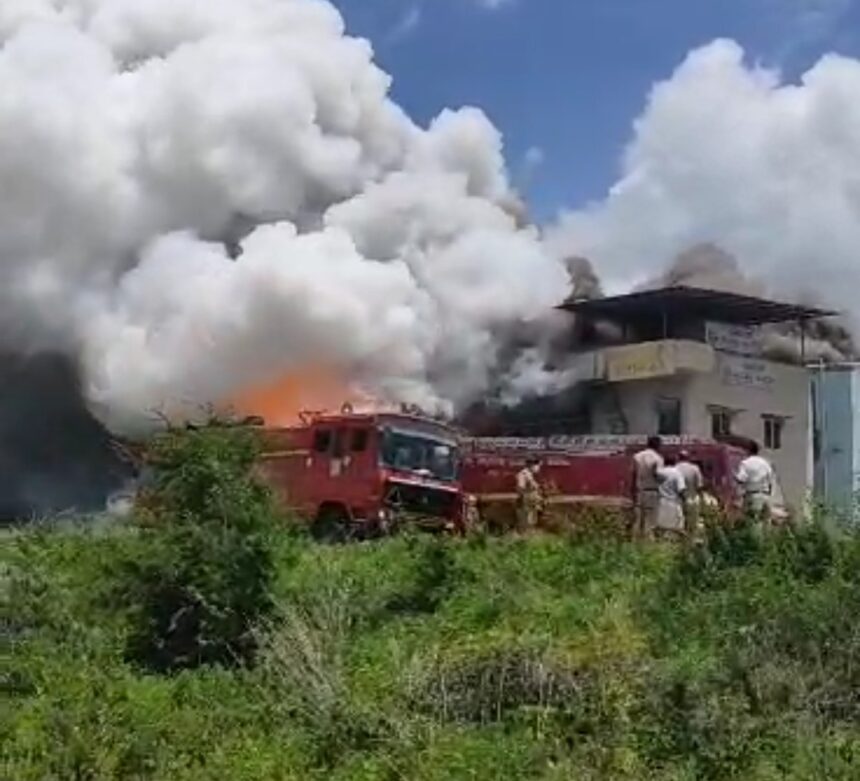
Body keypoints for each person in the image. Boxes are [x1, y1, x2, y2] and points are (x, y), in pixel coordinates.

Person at [735, 440, 775, 525]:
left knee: (753, 523)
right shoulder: (765, 463)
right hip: (765, 495)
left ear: (747, 450)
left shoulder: (746, 463)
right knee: (766, 523)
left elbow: (741, 479)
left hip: (753, 496)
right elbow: (771, 480)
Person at [631, 436, 663, 540]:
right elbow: (657, 475)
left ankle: (635, 543)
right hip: (652, 492)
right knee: (650, 521)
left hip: (640, 491)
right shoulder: (658, 458)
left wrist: (632, 493)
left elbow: (633, 475)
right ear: (658, 445)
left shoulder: (637, 456)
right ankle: (649, 546)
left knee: (638, 520)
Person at [656, 454, 686, 539]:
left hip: (660, 502)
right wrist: (684, 500)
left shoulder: (659, 472)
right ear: (675, 462)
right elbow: (681, 489)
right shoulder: (677, 473)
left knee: (661, 526)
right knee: (675, 528)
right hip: (673, 503)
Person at [676, 450, 704, 536]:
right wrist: (701, 498)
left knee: (680, 524)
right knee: (693, 524)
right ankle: (691, 541)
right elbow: (699, 486)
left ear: (678, 458)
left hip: (678, 500)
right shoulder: (695, 468)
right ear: (688, 458)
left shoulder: (674, 469)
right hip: (692, 498)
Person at [515, 457, 543, 531]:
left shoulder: (530, 474)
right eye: (537, 465)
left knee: (532, 520)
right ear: (531, 465)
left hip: (531, 503)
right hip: (526, 502)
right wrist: (523, 498)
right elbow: (520, 487)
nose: (538, 468)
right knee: (526, 521)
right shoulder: (523, 474)